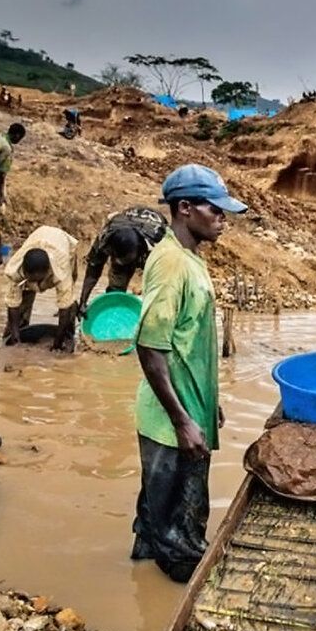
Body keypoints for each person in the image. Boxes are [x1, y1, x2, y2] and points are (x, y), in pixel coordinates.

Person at [132, 164, 247, 582]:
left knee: (156, 520)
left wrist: (207, 402)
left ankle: (142, 584)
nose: (223, 219)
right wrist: (183, 421)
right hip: (169, 426)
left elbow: (188, 343)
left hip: (187, 412)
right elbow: (150, 345)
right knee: (178, 535)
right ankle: (174, 602)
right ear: (184, 209)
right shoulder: (170, 265)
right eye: (215, 210)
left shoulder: (190, 258)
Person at [1, 225, 81, 352]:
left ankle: (68, 333)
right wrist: (15, 338)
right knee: (21, 307)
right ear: (24, 272)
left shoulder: (61, 269)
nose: (37, 284)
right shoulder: (14, 271)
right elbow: (12, 305)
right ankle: (17, 333)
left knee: (69, 303)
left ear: (48, 271)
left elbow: (64, 308)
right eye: (32, 280)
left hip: (60, 242)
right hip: (37, 238)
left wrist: (57, 344)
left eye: (39, 280)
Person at [77, 206, 168, 314]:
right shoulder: (105, 239)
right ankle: (113, 311)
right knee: (116, 288)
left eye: (125, 260)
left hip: (149, 241)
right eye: (117, 259)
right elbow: (93, 270)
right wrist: (83, 301)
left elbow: (165, 283)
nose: (118, 262)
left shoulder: (159, 247)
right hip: (128, 231)